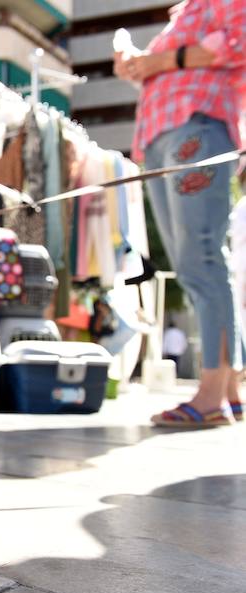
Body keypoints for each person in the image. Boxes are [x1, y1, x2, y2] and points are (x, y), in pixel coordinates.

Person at [114, 0, 245, 426]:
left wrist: (157, 61)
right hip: (163, 134)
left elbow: (238, 43)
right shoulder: (183, 12)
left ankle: (212, 395)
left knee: (200, 258)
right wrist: (140, 67)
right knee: (197, 264)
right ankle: (228, 390)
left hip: (197, 125)